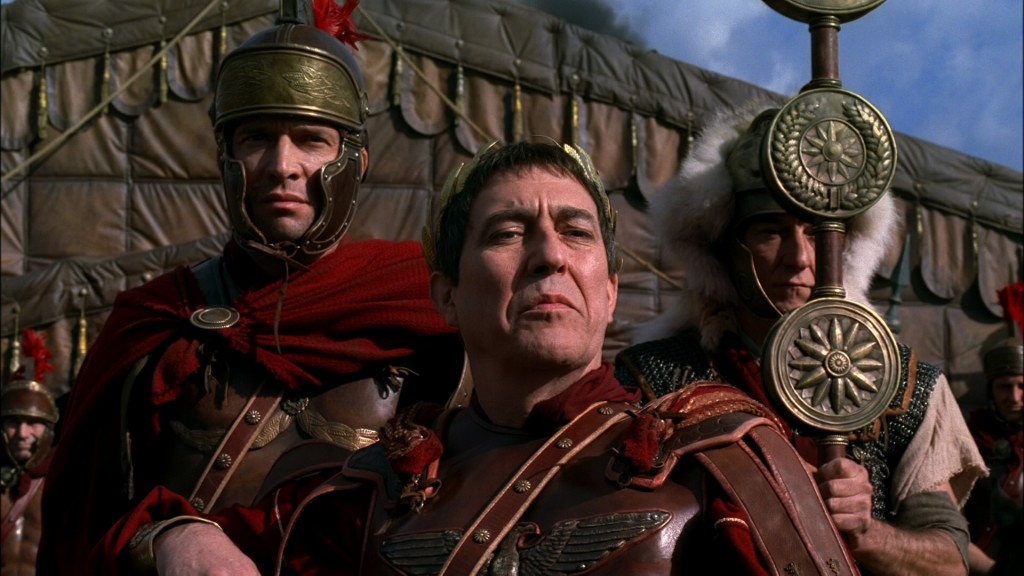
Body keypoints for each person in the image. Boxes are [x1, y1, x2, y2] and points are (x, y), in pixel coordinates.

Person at [162, 140, 861, 574]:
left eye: (576, 232)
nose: (549, 255)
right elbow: (141, 531)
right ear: (446, 295)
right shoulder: (363, 493)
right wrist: (177, 538)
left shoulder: (717, 464)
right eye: (507, 233)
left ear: (609, 292)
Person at [37, 1, 464, 573]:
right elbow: (82, 535)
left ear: (356, 162)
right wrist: (163, 539)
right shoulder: (157, 320)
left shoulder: (431, 310)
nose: (281, 165)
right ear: (226, 157)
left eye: (311, 140)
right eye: (257, 137)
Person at [615, 101, 987, 575]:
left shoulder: (899, 384)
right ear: (725, 247)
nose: (799, 257)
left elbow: (950, 561)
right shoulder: (650, 378)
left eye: (816, 234)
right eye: (771, 231)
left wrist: (865, 532)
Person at [964, 283, 1023, 576]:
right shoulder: (968, 437)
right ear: (991, 390)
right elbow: (948, 523)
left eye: (1023, 386)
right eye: (1005, 387)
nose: (1015, 397)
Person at [1, 330, 59, 576]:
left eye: (33, 423)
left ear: (48, 429)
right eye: (13, 422)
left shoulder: (62, 483)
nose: (22, 433)